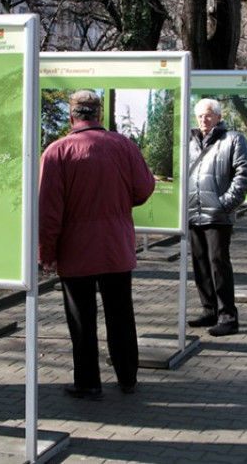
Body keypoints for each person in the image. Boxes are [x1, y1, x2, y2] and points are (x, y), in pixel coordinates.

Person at [38, 90, 156, 400]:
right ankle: (127, 377)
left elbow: (49, 210)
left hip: (75, 250)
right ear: (99, 115)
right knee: (121, 314)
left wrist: (46, 253)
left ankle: (88, 382)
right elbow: (144, 189)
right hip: (116, 246)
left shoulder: (56, 152)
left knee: (81, 319)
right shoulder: (124, 146)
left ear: (71, 115)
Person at [186, 98, 247, 337]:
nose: (203, 120)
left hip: (218, 215)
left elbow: (245, 175)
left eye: (207, 116)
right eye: (199, 116)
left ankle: (228, 316)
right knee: (200, 264)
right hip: (193, 213)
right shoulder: (190, 140)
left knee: (219, 265)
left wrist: (224, 204)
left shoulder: (233, 139)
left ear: (218, 116)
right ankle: (209, 310)